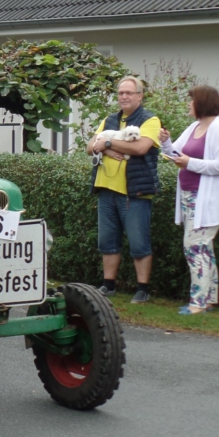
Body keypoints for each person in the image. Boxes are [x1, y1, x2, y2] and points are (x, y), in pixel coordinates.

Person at [86, 76, 162, 304]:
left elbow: (140, 147)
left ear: (140, 96)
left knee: (139, 242)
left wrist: (107, 144)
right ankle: (108, 285)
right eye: (121, 93)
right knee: (107, 241)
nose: (124, 97)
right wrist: (106, 150)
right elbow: (90, 146)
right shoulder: (109, 119)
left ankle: (142, 289)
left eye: (129, 93)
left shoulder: (150, 120)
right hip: (106, 189)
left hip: (134, 192)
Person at [158, 85, 219, 315]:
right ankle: (209, 299)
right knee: (203, 247)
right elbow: (174, 153)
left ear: (202, 103)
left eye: (192, 100)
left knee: (194, 246)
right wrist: (166, 142)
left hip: (206, 200)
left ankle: (198, 302)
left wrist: (190, 163)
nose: (188, 104)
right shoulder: (194, 126)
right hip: (189, 197)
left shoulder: (218, 128)